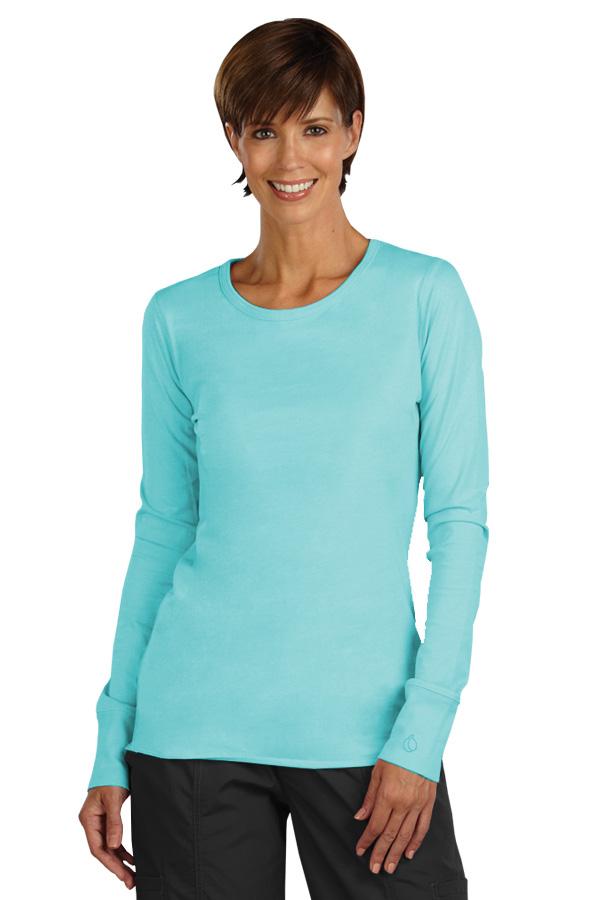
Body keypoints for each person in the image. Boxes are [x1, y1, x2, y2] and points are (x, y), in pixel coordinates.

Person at [78, 17, 489, 900]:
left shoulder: (425, 296)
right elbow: (164, 529)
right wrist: (112, 741)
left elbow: (459, 525)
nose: (290, 157)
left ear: (353, 132)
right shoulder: (179, 318)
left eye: (315, 127)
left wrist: (422, 732)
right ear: (234, 138)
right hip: (191, 731)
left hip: (370, 737)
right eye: (264, 130)